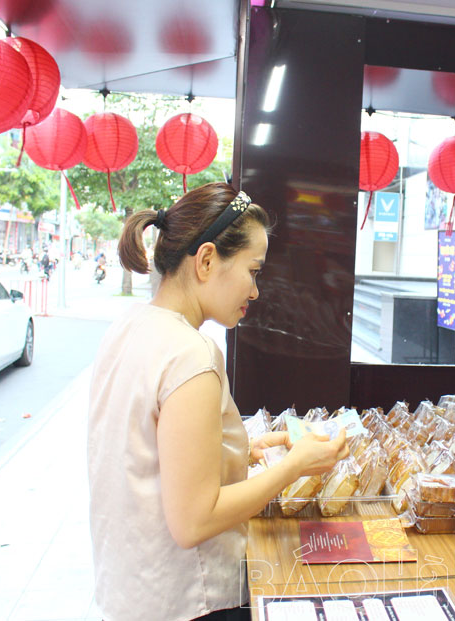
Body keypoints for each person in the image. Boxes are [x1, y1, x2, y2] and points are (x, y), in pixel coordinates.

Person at [87, 183, 348, 621]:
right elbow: (194, 521)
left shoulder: (129, 326)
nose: (255, 291)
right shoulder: (192, 354)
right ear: (207, 260)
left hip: (132, 590)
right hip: (190, 600)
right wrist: (293, 467)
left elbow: (147, 456)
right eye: (253, 270)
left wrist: (243, 449)